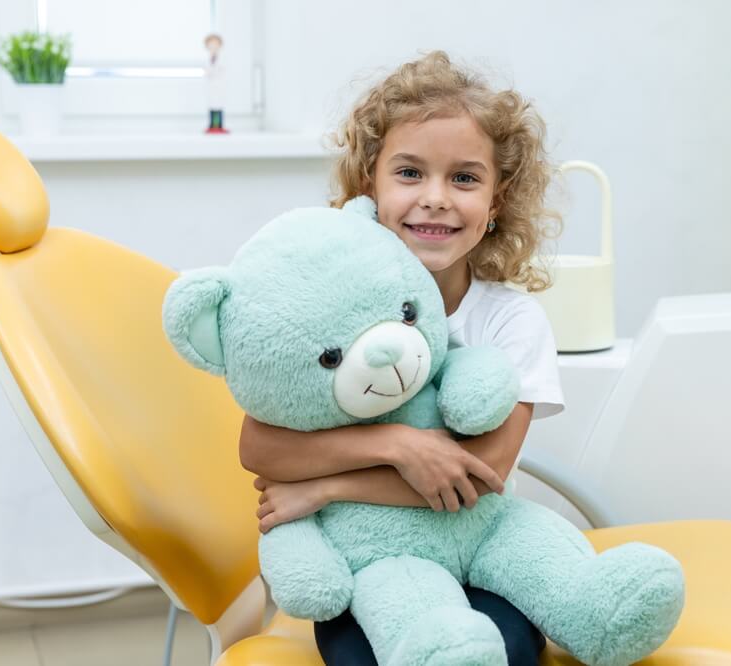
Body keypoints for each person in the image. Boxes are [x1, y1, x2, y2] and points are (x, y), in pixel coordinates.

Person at [240, 50, 564, 665]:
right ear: (370, 186)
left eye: (465, 179)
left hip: (484, 556)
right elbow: (259, 448)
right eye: (410, 173)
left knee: (503, 652)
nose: (436, 199)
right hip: (369, 566)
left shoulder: (510, 321)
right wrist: (398, 445)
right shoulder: (330, 309)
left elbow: (481, 472)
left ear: (497, 202)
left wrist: (327, 486)